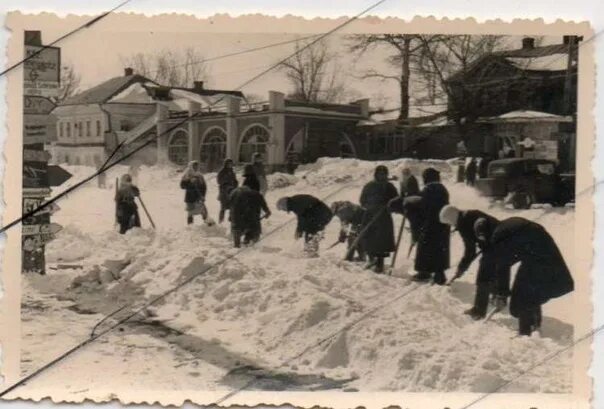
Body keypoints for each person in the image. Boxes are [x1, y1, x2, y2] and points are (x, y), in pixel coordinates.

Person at [476, 217, 574, 336]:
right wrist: (502, 293)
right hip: (543, 248)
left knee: (522, 295)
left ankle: (525, 333)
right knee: (530, 290)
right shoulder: (505, 227)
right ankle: (534, 326)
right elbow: (511, 256)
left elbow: (503, 265)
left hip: (535, 255)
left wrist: (502, 294)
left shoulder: (498, 236)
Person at [439, 205, 501, 319]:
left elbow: (470, 251)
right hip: (500, 239)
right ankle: (498, 295)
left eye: (449, 223)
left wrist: (461, 268)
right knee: (493, 269)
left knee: (484, 275)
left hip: (495, 244)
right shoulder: (470, 214)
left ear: (451, 218)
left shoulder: (463, 223)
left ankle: (479, 310)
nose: (451, 225)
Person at [390, 168, 450, 284]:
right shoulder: (442, 189)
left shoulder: (429, 189)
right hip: (442, 224)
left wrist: (411, 205)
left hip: (429, 223)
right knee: (439, 250)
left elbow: (423, 205)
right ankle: (439, 275)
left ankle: (424, 273)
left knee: (425, 248)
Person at [359, 165, 399, 273]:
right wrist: (370, 207)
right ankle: (371, 259)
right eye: (379, 174)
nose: (381, 176)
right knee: (369, 237)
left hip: (383, 217)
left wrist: (389, 206)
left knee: (382, 241)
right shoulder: (369, 186)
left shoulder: (389, 187)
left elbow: (396, 200)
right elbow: (362, 200)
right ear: (376, 174)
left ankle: (379, 264)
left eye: (384, 174)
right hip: (370, 215)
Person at [229, 183, 271, 248]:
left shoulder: (234, 194)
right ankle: (252, 244)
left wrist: (231, 217)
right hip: (252, 218)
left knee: (237, 230)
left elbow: (232, 208)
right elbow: (263, 204)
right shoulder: (256, 194)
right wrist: (267, 211)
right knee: (254, 231)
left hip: (238, 218)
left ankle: (237, 246)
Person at [180, 160, 210, 225]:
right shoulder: (187, 175)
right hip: (190, 197)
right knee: (190, 212)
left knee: (203, 211)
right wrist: (189, 181)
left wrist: (203, 196)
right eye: (194, 166)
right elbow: (182, 186)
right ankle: (190, 227)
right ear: (191, 166)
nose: (196, 167)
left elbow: (204, 187)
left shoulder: (200, 176)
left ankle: (209, 225)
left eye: (197, 166)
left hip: (198, 197)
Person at [217, 158, 238, 224]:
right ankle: (221, 221)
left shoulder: (232, 172)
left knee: (232, 207)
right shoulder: (222, 172)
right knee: (223, 208)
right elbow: (219, 181)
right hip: (224, 192)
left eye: (231, 164)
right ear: (226, 164)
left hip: (232, 192)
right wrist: (226, 181)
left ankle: (231, 221)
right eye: (229, 164)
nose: (230, 165)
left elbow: (235, 180)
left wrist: (235, 183)